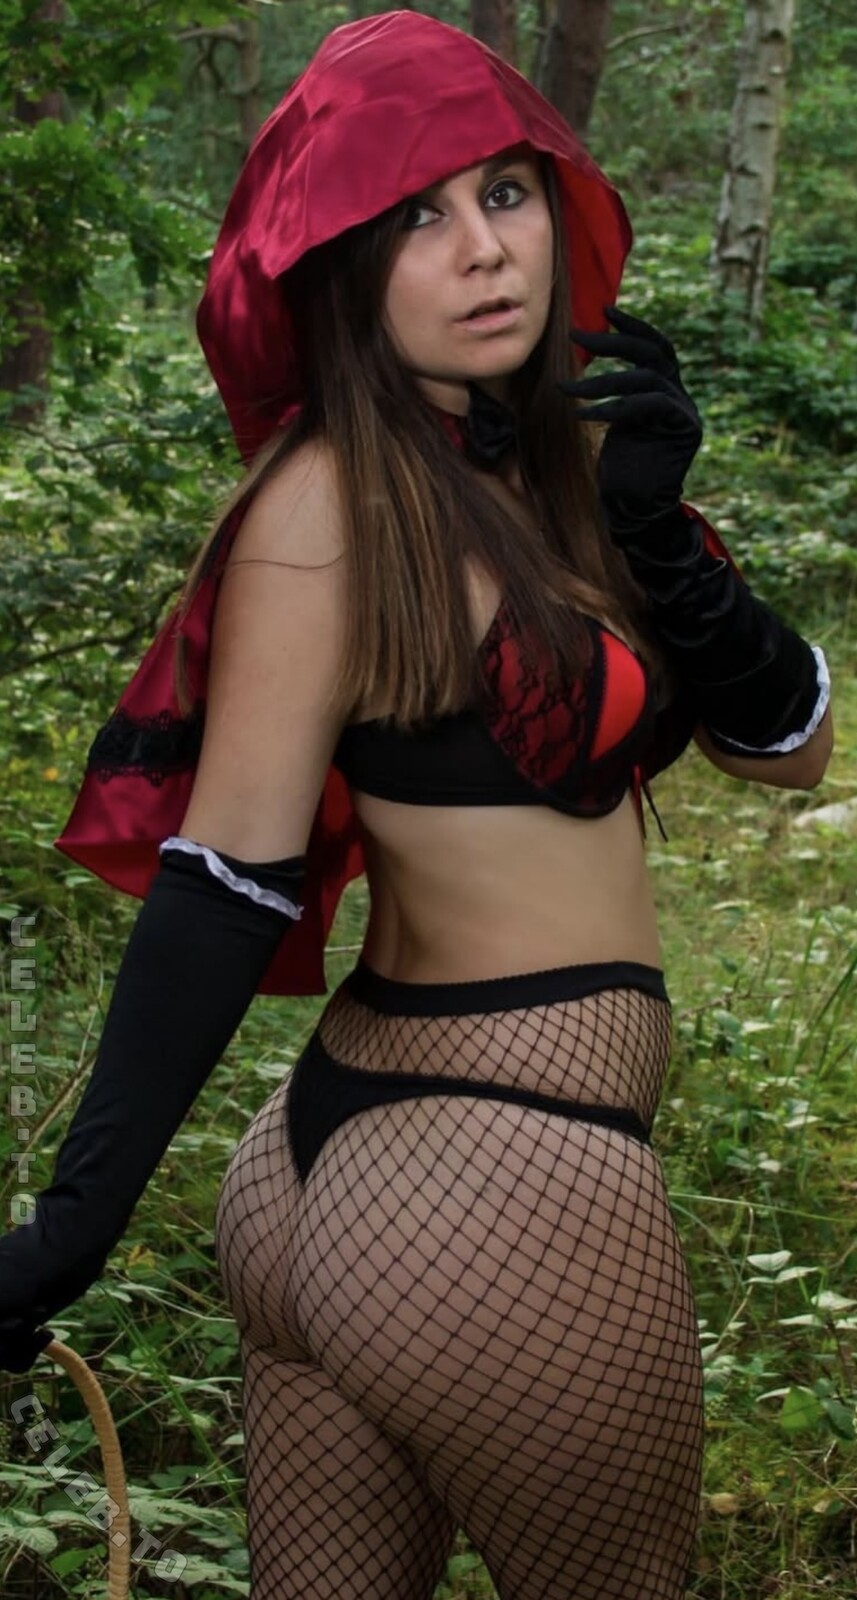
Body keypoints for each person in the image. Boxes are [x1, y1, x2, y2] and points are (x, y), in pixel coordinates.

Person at [0, 11, 832, 1600]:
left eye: (503, 195)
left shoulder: (559, 471)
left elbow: (787, 748)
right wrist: (69, 1229)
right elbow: (224, 881)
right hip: (499, 1182)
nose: (481, 250)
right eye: (414, 219)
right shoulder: (331, 499)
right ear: (340, 270)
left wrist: (663, 541)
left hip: (346, 1179)